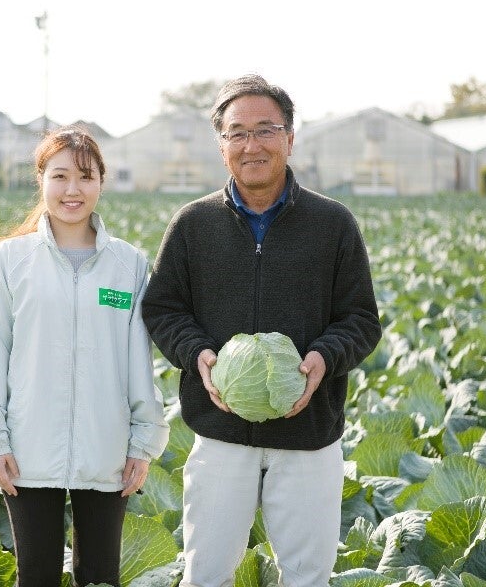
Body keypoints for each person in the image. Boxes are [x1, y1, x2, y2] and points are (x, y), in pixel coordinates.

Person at [141, 74, 381, 587]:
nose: (252, 145)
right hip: (221, 432)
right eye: (237, 133)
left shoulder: (333, 223)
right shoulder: (192, 224)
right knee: (206, 574)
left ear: (290, 139)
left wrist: (322, 359)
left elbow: (361, 319)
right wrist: (198, 354)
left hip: (309, 436)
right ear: (221, 144)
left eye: (266, 130)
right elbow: (163, 309)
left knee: (308, 577)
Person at [0, 126, 169, 587]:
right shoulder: (10, 260)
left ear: (101, 183)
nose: (72, 190)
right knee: (35, 575)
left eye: (85, 177)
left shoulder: (128, 264)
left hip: (108, 447)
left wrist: (143, 441)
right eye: (60, 176)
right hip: (27, 448)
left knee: (100, 576)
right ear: (42, 181)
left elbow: (140, 361)